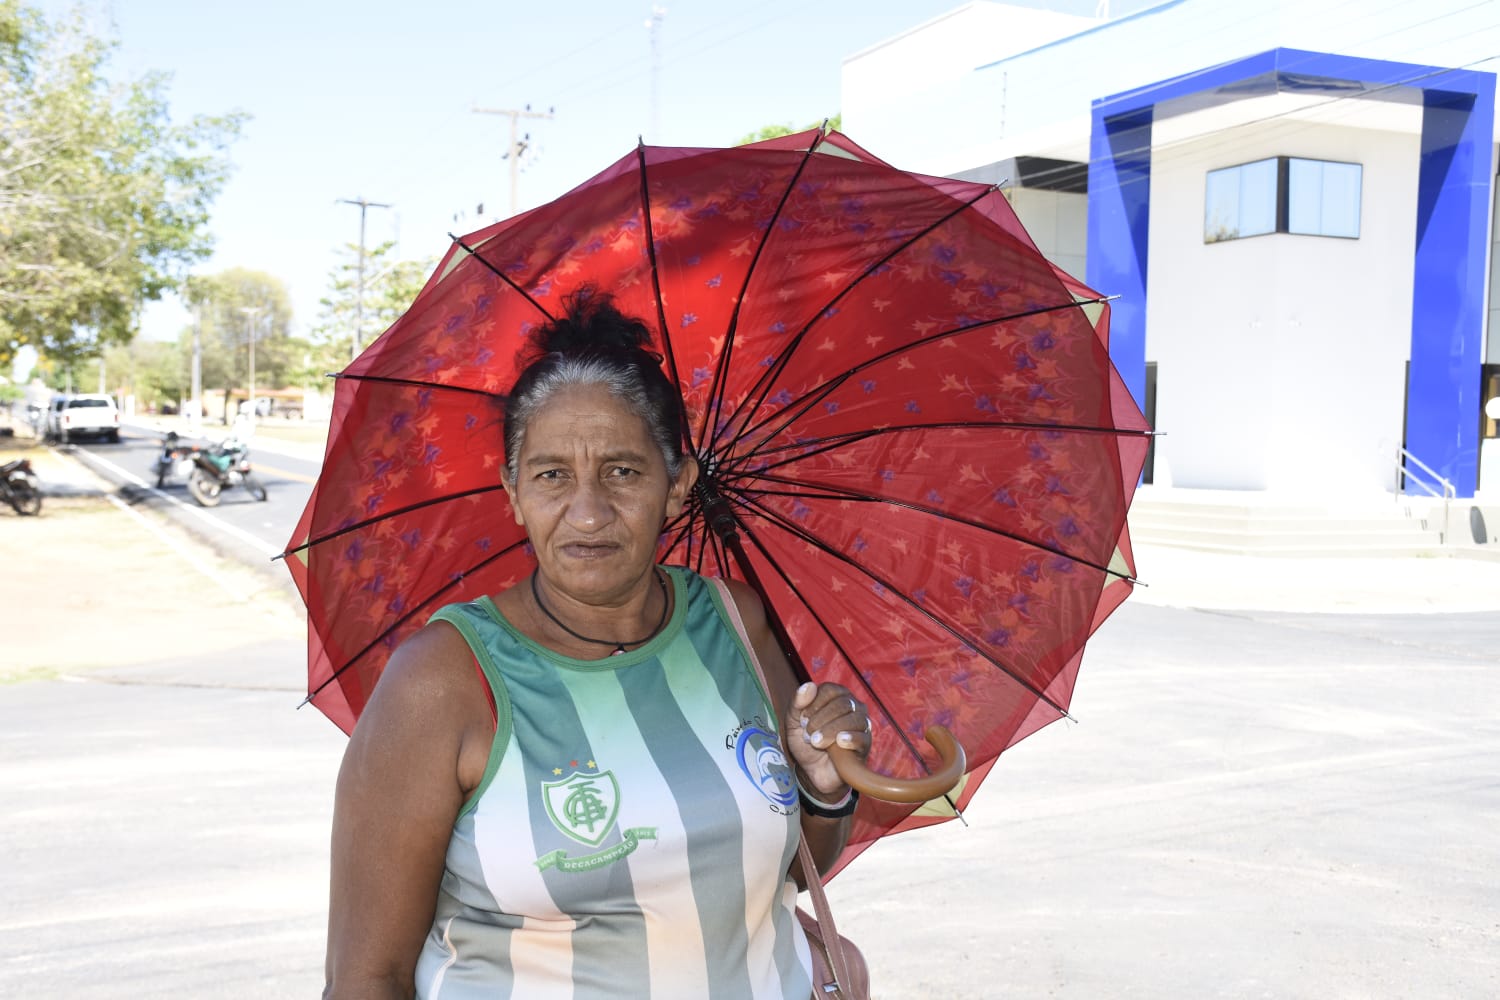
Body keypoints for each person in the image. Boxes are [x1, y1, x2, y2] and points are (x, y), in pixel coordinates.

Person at [324, 289, 873, 999]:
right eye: (553, 475)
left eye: (623, 471)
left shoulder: (735, 623)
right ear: (513, 491)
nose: (588, 513)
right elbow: (368, 976)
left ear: (678, 486)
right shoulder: (444, 678)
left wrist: (823, 789)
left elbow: (792, 870)